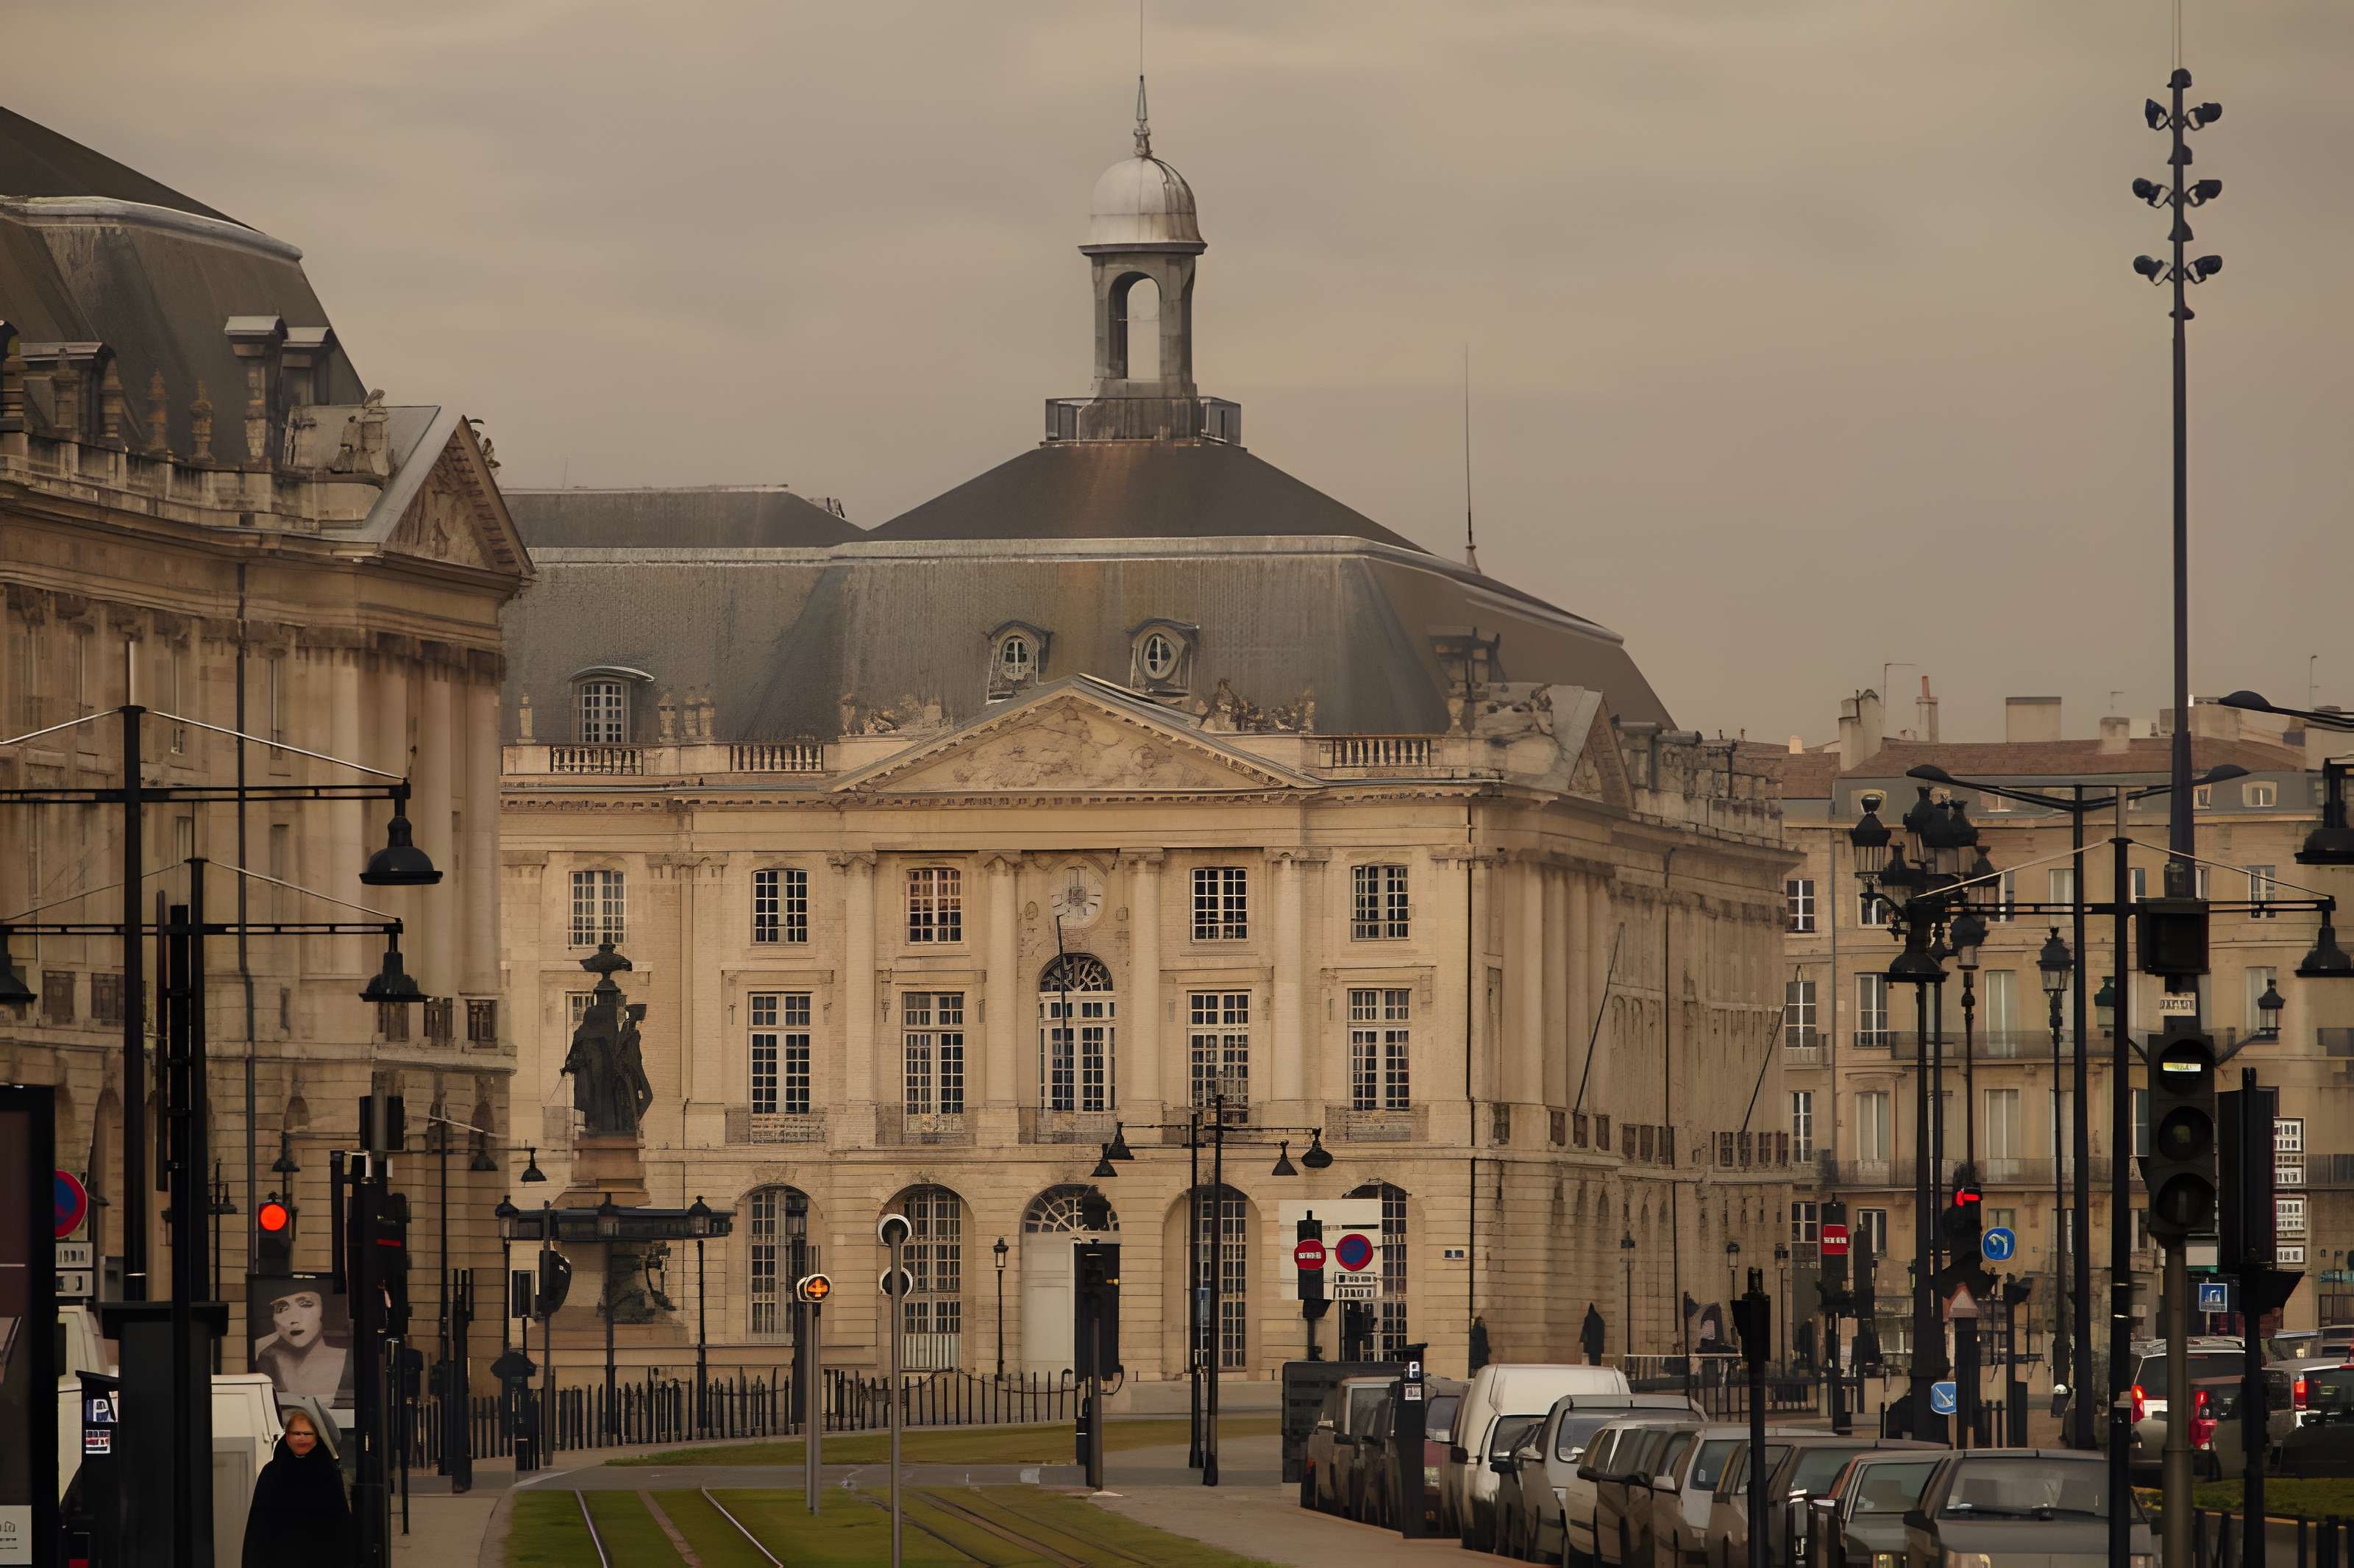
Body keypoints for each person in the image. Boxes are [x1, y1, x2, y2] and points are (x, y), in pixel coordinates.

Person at [242, 1409, 352, 1564]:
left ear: (316, 1437)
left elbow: (340, 1524)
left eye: (307, 1434)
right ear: (287, 1436)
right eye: (296, 1433)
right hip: (280, 1557)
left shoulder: (328, 1472)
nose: (302, 1438)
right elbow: (258, 1526)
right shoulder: (272, 1472)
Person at [252, 1284, 351, 1402]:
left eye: (306, 1304)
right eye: (281, 1308)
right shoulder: (266, 1360)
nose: (294, 1319)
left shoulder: (350, 1361)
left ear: (323, 1309)